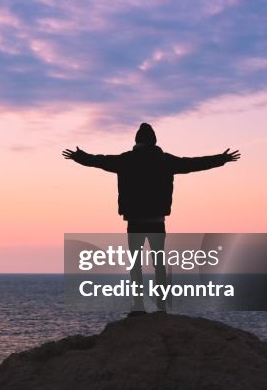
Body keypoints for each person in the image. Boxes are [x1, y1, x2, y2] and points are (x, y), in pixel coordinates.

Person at [62, 123, 240, 312]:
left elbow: (99, 161)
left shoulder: (126, 160)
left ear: (137, 141)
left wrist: (79, 157)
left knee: (136, 265)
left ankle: (138, 305)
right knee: (159, 265)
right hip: (157, 221)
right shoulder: (165, 160)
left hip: (134, 221)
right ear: (154, 141)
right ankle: (161, 306)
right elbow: (194, 164)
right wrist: (221, 159)